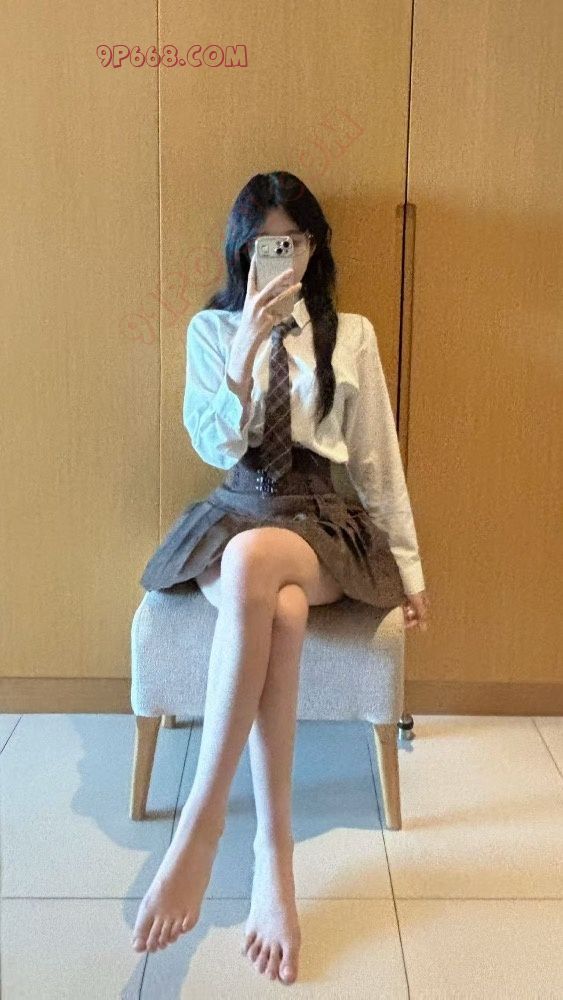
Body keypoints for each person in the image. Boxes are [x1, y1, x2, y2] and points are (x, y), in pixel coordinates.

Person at [131, 171, 430, 983]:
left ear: (313, 246)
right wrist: (241, 352)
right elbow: (214, 446)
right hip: (235, 506)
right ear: (240, 251)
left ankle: (201, 826)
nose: (279, 257)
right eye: (262, 244)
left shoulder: (350, 334)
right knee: (281, 611)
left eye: (291, 242)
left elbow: (375, 459)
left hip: (317, 520)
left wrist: (408, 567)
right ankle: (274, 858)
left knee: (256, 562)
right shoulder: (209, 329)